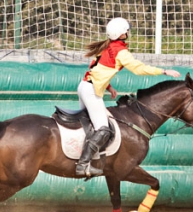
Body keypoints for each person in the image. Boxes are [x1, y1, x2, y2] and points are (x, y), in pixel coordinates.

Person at [75, 17, 181, 178]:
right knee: (103, 128)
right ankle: (83, 165)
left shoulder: (107, 46)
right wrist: (164, 71)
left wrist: (108, 87)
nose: (128, 32)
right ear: (121, 34)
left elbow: (95, 69)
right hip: (91, 90)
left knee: (89, 124)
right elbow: (139, 69)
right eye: (127, 30)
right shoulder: (121, 52)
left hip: (84, 86)